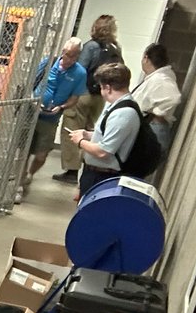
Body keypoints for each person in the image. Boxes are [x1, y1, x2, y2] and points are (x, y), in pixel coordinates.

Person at [17, 38, 87, 203]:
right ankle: (19, 186)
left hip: (51, 117)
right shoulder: (49, 63)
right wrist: (33, 100)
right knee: (24, 151)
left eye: (72, 56)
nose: (67, 59)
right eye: (65, 54)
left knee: (41, 155)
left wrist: (61, 107)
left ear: (77, 56)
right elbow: (30, 84)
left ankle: (30, 174)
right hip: (31, 112)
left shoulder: (80, 74)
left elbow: (75, 98)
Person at [55, 15, 121, 184]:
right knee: (92, 131)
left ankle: (71, 171)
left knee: (72, 129)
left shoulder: (90, 46)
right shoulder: (115, 48)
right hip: (100, 97)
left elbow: (80, 70)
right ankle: (88, 166)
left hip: (83, 95)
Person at [69, 62, 140, 200]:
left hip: (103, 176)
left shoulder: (124, 113)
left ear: (107, 88)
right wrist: (88, 135)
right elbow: (107, 136)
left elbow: (104, 151)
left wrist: (80, 142)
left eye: (101, 87)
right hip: (95, 173)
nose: (101, 92)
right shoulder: (115, 106)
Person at [132, 43, 183, 155]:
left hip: (153, 127)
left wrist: (156, 113)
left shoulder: (161, 79)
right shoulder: (156, 77)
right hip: (148, 127)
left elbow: (173, 98)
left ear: (146, 58)